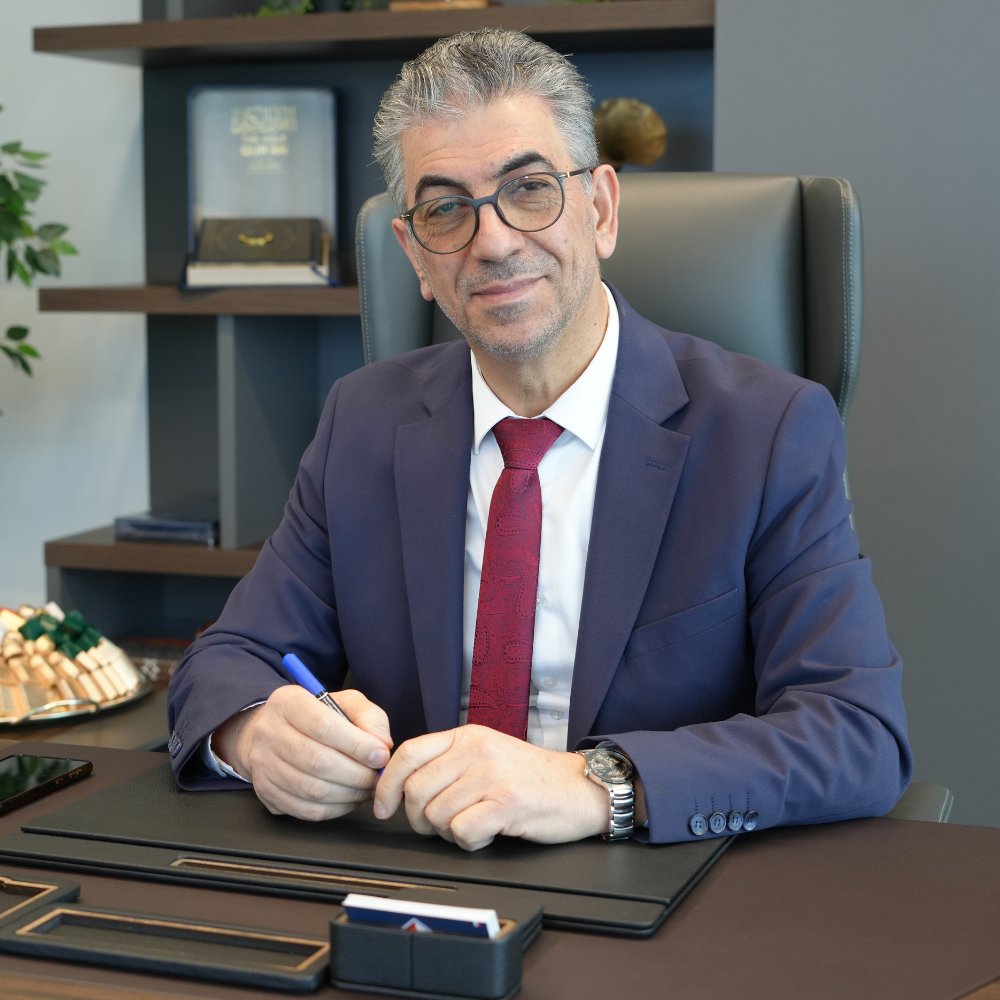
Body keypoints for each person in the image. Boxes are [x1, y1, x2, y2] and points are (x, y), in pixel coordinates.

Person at [167, 28, 911, 849]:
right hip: (416, 885)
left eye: (529, 189)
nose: (492, 242)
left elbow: (855, 733)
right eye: (446, 208)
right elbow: (230, 657)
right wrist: (255, 732)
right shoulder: (363, 421)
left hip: (652, 900)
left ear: (599, 208)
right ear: (414, 254)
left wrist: (596, 785)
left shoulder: (767, 431)